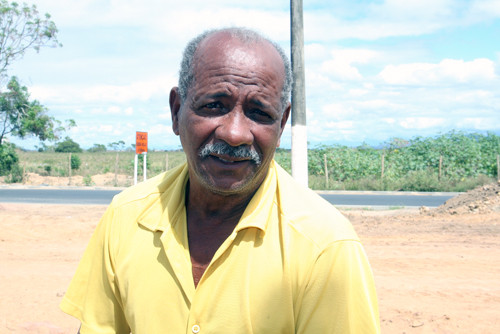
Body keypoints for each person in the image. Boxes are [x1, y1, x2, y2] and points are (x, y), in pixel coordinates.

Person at [60, 27, 380, 333]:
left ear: (281, 125)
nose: (235, 133)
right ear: (176, 111)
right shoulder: (126, 216)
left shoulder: (325, 245)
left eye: (259, 112)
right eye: (214, 106)